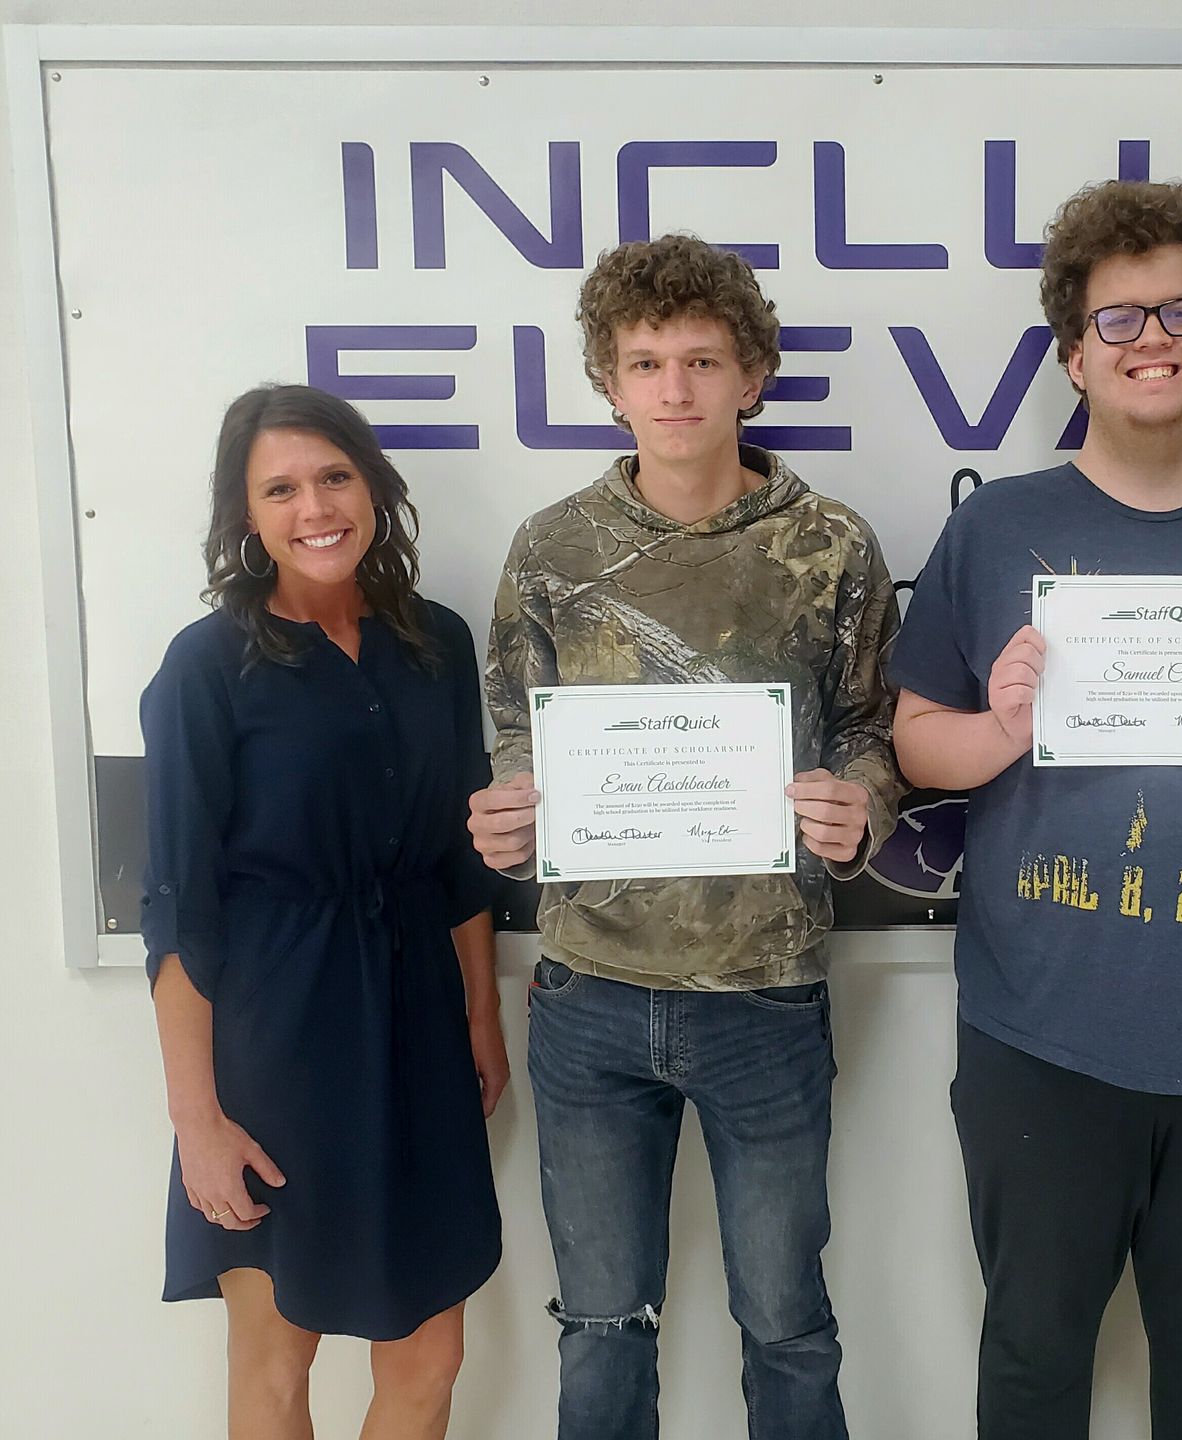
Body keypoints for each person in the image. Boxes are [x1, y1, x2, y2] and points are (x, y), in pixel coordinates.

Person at [889, 179, 1182, 1440]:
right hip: (1040, 1042)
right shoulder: (999, 527)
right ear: (1071, 352)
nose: (1153, 338)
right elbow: (914, 743)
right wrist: (998, 730)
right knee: (1035, 1365)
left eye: (1181, 311)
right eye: (1118, 319)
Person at [466, 234, 903, 1440]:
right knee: (600, 1329)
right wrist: (512, 812)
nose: (675, 390)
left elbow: (872, 728)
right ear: (609, 380)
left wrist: (859, 803)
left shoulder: (830, 546)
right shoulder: (552, 551)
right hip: (590, 992)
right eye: (646, 362)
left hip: (765, 994)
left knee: (788, 1326)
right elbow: (518, 732)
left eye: (703, 360)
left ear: (751, 375)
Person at [141, 384, 505, 1440]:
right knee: (275, 1362)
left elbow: (456, 859)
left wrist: (482, 1017)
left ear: (373, 486)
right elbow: (179, 910)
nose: (316, 508)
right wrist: (197, 1121)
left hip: (420, 1028)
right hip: (276, 1043)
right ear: (246, 517)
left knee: (432, 1356)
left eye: (335, 476)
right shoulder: (206, 669)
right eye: (282, 489)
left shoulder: (434, 643)